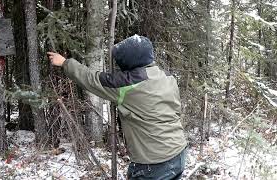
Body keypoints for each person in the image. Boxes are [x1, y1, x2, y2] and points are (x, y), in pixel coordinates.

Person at [47, 35, 187, 180]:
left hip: (153, 162)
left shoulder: (128, 84)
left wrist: (65, 62)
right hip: (179, 152)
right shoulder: (167, 77)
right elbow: (176, 110)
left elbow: (91, 79)